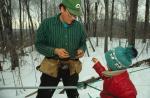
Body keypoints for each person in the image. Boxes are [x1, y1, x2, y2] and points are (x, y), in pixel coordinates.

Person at [35, 0, 87, 98]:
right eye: (71, 14)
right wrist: (54, 51)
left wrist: (82, 49)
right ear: (62, 8)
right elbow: (38, 45)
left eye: (75, 15)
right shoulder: (47, 24)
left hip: (72, 67)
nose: (73, 18)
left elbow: (83, 43)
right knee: (44, 95)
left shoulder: (79, 26)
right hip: (51, 66)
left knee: (73, 95)